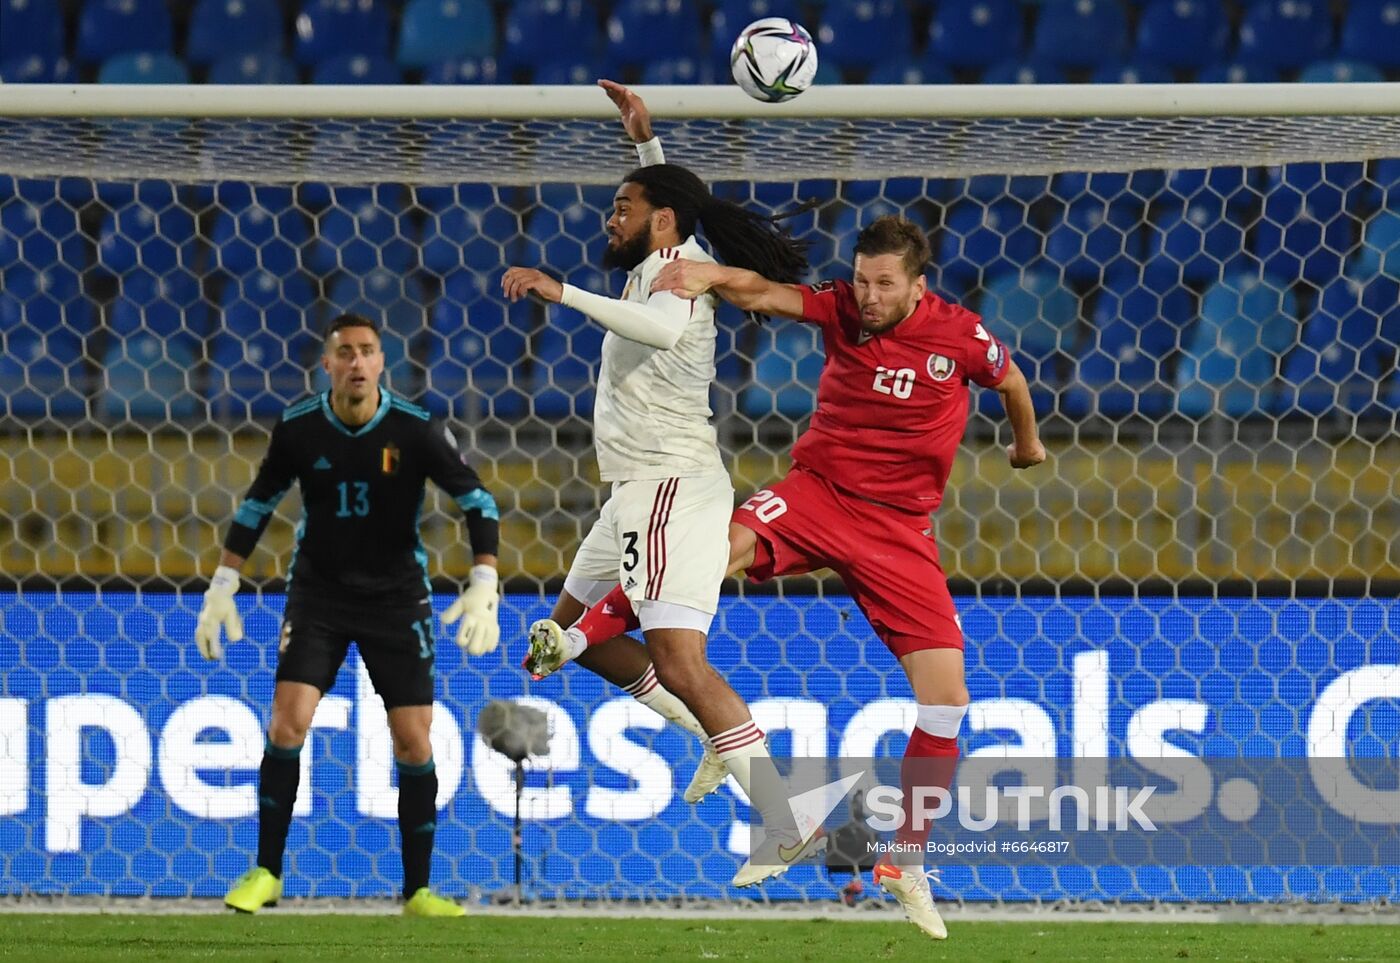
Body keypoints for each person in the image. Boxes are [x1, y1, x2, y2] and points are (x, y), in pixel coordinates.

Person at [528, 87, 1046, 939]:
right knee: (700, 558)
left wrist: (1025, 444)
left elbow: (1013, 379)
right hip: (814, 495)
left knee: (948, 701)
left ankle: (904, 856)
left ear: (919, 283)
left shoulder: (962, 337)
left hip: (900, 529)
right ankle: (594, 643)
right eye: (864, 280)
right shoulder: (843, 308)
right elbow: (767, 293)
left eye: (884, 285)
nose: (868, 296)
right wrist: (715, 275)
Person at [499, 79, 818, 887]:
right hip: (632, 494)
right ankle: (708, 734)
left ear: (660, 221)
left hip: (671, 485)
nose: (612, 218)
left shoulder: (678, 274)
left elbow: (664, 323)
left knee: (680, 658)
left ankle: (787, 818)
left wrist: (558, 290)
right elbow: (668, 218)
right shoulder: (666, 254)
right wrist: (645, 145)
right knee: (567, 638)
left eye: (623, 204)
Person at [194, 313, 502, 917]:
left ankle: (417, 892)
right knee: (287, 725)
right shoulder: (300, 428)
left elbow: (477, 500)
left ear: (382, 363)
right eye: (345, 353)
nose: (356, 362)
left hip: (396, 599)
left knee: (414, 743)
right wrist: (222, 584)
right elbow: (257, 504)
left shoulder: (416, 429)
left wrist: (485, 578)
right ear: (327, 364)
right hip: (319, 596)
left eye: (367, 352)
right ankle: (266, 874)